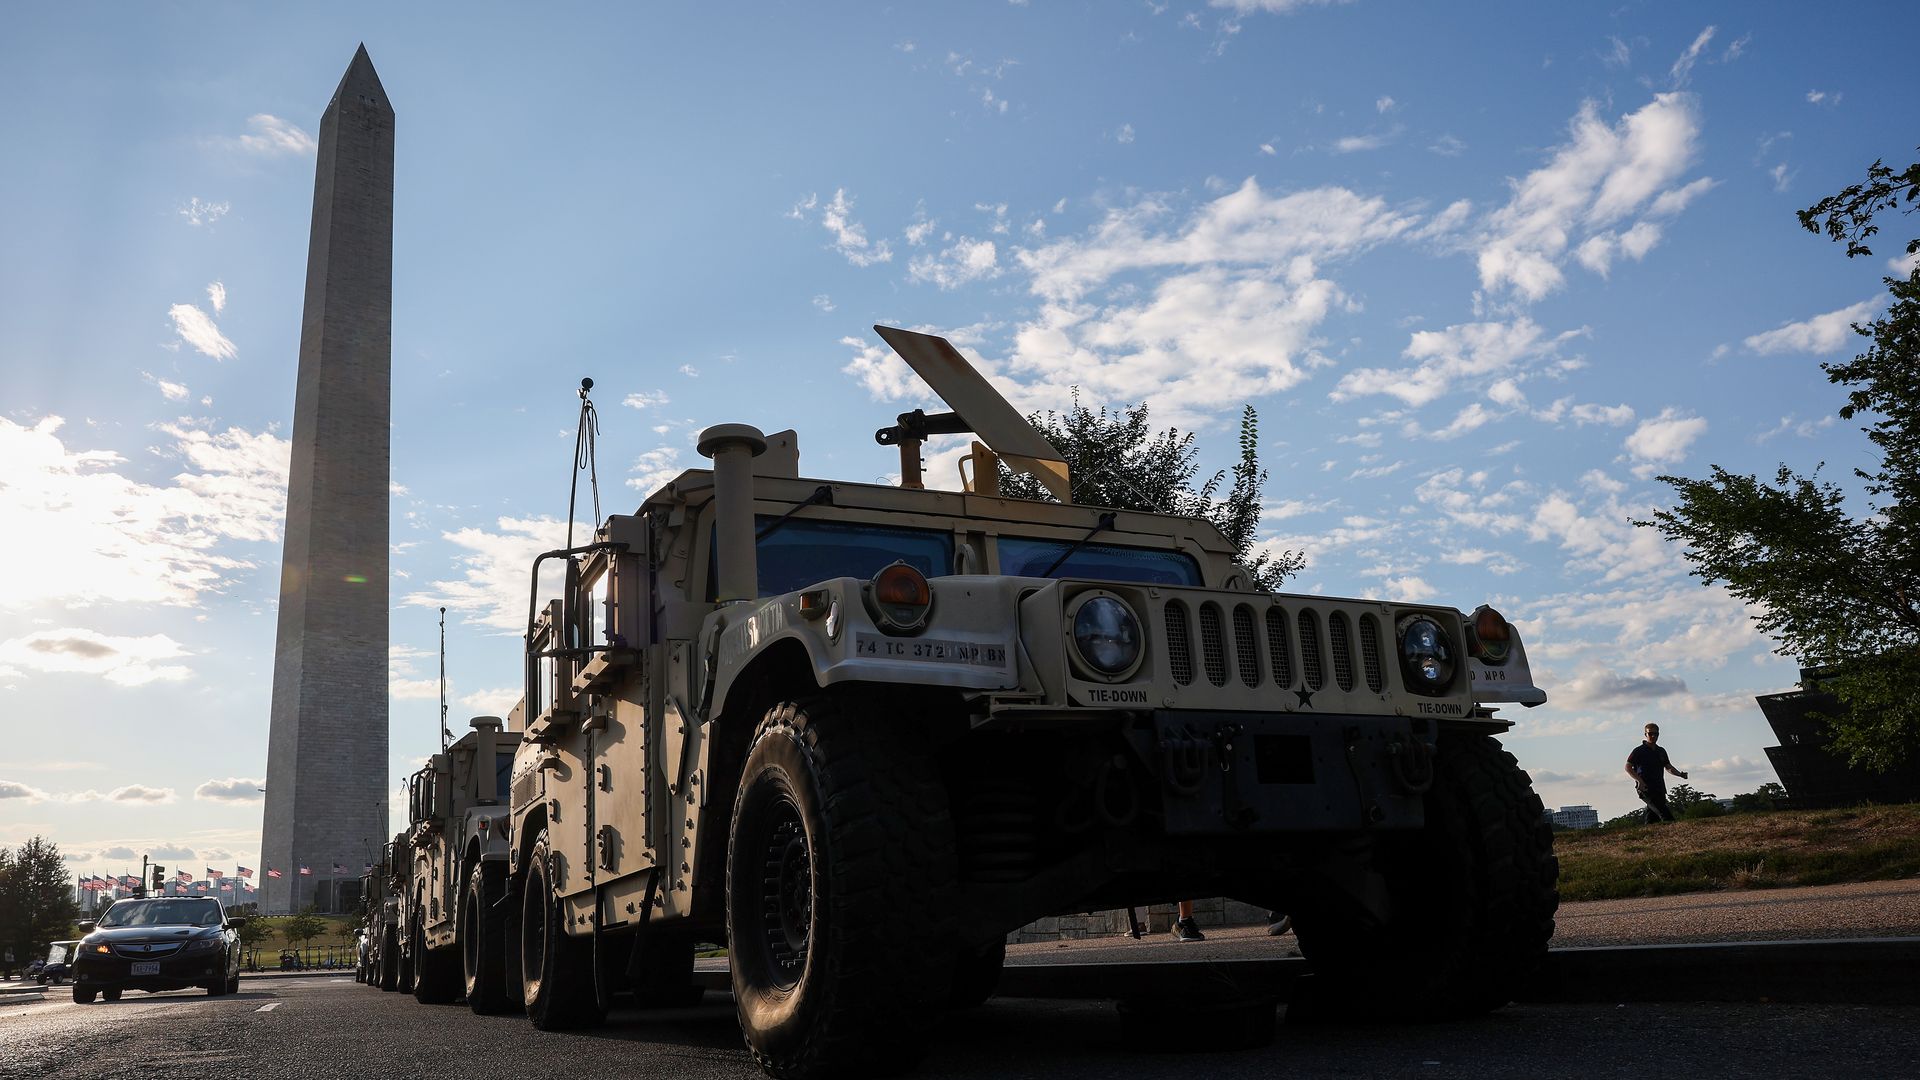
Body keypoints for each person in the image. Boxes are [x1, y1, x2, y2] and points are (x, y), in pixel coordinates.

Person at [1625, 722, 1688, 824]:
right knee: (1665, 814)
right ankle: (1674, 833)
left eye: (1656, 734)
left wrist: (1680, 774)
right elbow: (1628, 767)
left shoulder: (1661, 751)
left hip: (1659, 787)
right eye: (1650, 734)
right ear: (1645, 734)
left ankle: (1647, 837)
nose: (1653, 736)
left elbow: (1668, 767)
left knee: (1652, 819)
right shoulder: (1638, 751)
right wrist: (1639, 781)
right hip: (1646, 788)